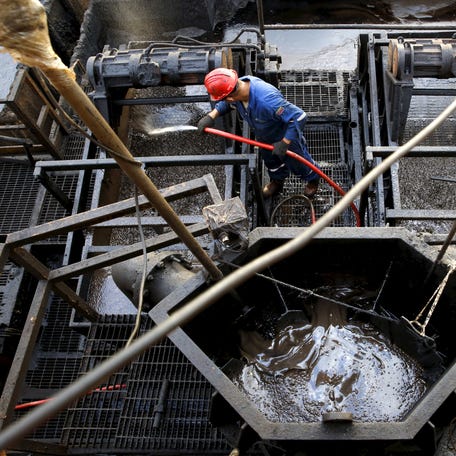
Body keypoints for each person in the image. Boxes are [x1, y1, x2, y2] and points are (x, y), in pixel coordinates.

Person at [197, 68, 320, 198]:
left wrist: (285, 143)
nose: (223, 101)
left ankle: (312, 180)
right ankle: (277, 181)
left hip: (286, 139)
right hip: (264, 138)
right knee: (272, 162)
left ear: (231, 97)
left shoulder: (267, 101)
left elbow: (299, 117)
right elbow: (226, 104)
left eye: (224, 99)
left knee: (299, 164)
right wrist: (211, 116)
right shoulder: (238, 88)